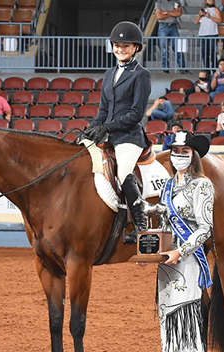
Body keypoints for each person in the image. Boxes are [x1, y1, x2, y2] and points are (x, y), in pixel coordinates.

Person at [84, 21, 151, 239]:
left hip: (129, 137)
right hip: (109, 133)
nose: (121, 49)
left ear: (136, 48)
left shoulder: (141, 75)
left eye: (126, 46)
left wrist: (107, 127)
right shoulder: (108, 73)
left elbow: (136, 114)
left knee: (123, 173)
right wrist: (91, 129)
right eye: (117, 45)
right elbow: (103, 109)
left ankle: (140, 223)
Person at [156, 131, 213, 352]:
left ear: (194, 155)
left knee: (186, 319)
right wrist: (150, 253)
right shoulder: (166, 186)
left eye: (185, 151)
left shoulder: (202, 185)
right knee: (168, 319)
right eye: (175, 150)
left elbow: (205, 228)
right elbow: (161, 225)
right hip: (166, 264)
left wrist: (181, 251)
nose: (178, 155)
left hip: (188, 261)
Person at [156, 0, 188, 73]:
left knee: (178, 48)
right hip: (163, 26)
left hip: (173, 26)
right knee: (164, 49)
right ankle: (165, 68)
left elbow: (179, 13)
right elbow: (159, 16)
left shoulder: (176, 1)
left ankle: (182, 68)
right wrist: (173, 13)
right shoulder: (159, 2)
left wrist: (166, 13)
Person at [195, 0, 221, 70]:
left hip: (212, 33)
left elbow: (219, 21)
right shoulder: (202, 10)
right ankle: (206, 68)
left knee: (212, 51)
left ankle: (214, 68)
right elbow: (196, 22)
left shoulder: (216, 9)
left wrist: (210, 17)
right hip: (203, 33)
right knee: (204, 52)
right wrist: (199, 15)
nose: (210, 1)